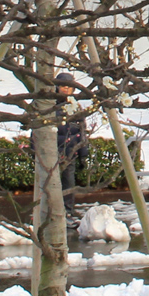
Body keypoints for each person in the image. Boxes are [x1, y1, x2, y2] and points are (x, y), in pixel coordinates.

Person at [53, 73, 88, 202]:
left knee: (68, 181)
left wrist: (83, 153)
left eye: (69, 86)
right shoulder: (50, 105)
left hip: (70, 152)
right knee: (52, 182)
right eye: (63, 86)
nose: (66, 89)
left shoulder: (75, 107)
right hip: (53, 151)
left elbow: (82, 131)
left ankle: (68, 209)